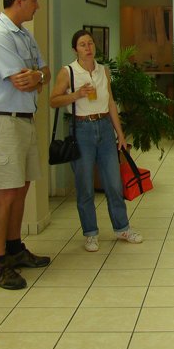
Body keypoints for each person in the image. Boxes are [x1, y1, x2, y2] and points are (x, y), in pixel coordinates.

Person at [0, 0, 52, 290]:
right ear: (18, 0)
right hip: (0, 123)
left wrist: (37, 76)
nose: (37, 5)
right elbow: (21, 80)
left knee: (21, 187)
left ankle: (15, 248)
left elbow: (43, 73)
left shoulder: (24, 35)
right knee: (5, 191)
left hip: (23, 120)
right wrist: (35, 77)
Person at [49, 30, 142, 252]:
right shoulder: (68, 72)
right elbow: (53, 100)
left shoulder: (103, 71)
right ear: (76, 49)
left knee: (113, 182)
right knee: (85, 186)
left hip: (104, 127)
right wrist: (76, 94)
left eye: (90, 43)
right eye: (82, 44)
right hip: (82, 129)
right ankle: (90, 233)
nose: (88, 47)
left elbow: (110, 102)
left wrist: (119, 133)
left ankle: (122, 228)